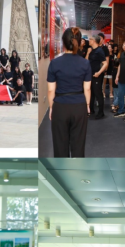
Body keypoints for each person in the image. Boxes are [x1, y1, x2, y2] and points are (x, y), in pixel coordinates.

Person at [47, 27, 92, 158]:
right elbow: (87, 88)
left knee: (60, 146)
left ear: (63, 42)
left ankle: (61, 170)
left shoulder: (54, 63)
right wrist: (87, 105)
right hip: (79, 106)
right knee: (78, 146)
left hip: (60, 106)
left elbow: (51, 90)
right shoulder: (85, 63)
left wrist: (51, 107)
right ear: (79, 42)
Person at [88, 35, 108, 120]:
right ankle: (91, 109)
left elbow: (105, 63)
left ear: (94, 41)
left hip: (97, 76)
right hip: (91, 74)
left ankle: (101, 112)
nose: (89, 40)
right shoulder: (92, 50)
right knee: (92, 93)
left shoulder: (99, 50)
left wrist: (99, 73)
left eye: (90, 39)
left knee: (98, 93)